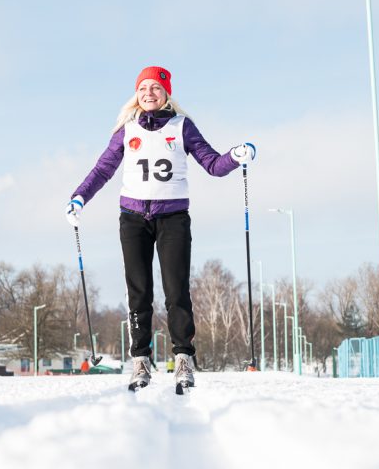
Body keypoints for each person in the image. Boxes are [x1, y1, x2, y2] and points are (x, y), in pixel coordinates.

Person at [65, 66, 256, 391]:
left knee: (176, 290)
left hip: (173, 218)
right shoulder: (127, 130)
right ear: (136, 94)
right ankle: (140, 360)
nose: (148, 93)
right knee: (139, 292)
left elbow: (212, 164)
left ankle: (183, 358)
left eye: (155, 87)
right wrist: (79, 197)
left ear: (166, 93)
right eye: (143, 88)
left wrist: (236, 157)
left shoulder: (182, 126)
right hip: (133, 219)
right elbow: (103, 169)